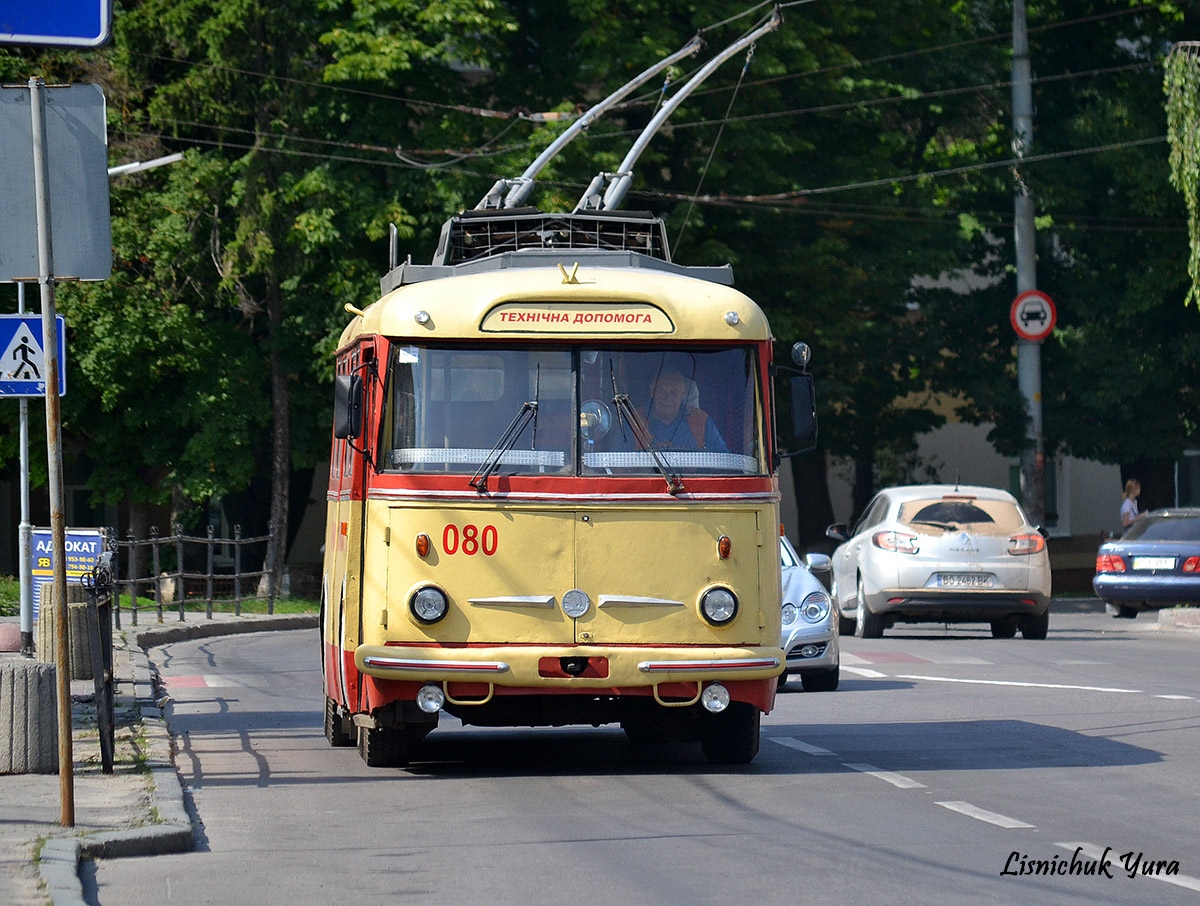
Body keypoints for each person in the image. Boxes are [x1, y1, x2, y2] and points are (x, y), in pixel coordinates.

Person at [636, 369, 728, 452]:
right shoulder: (633, 420)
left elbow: (723, 460)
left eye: (674, 392)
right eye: (662, 391)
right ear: (652, 392)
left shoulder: (701, 421)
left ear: (683, 395)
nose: (668, 398)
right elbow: (622, 464)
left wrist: (693, 465)